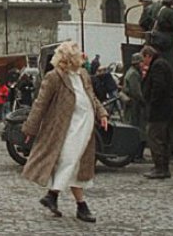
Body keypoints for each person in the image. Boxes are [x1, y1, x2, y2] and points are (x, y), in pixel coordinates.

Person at [22, 41, 108, 224]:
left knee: (76, 164)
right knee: (70, 160)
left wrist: (102, 113)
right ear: (70, 57)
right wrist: (31, 127)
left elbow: (91, 96)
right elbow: (40, 103)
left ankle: (63, 200)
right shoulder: (54, 77)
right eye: (78, 54)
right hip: (66, 127)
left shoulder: (83, 74)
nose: (83, 56)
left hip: (85, 125)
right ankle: (63, 199)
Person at [141, 44, 173, 179]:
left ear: (148, 56)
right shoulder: (163, 63)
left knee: (155, 138)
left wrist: (152, 104)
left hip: (159, 110)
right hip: (166, 109)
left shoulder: (157, 66)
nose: (143, 62)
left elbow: (158, 86)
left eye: (144, 59)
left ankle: (160, 167)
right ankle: (162, 167)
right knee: (164, 139)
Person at [122, 53, 147, 163]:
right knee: (138, 129)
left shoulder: (132, 72)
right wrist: (144, 102)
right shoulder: (134, 74)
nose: (143, 64)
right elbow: (136, 91)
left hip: (132, 104)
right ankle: (137, 154)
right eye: (141, 62)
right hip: (134, 105)